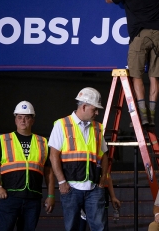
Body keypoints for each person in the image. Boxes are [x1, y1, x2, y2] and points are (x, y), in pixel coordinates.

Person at [105, 0, 159, 126]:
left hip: (139, 36)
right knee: (155, 77)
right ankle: (152, 116)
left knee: (136, 75)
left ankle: (143, 116)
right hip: (158, 35)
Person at [0, 100, 55, 231]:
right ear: (15, 120)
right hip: (9, 197)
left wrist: (51, 195)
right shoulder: (5, 140)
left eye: (27, 117)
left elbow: (49, 172)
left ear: (32, 120)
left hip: (33, 199)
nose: (23, 120)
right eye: (19, 117)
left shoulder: (42, 142)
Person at [49, 87, 109, 231]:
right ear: (83, 106)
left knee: (99, 228)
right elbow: (53, 155)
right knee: (72, 228)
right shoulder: (61, 125)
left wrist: (102, 180)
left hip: (94, 188)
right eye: (94, 109)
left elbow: (104, 155)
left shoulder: (97, 128)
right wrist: (62, 182)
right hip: (71, 188)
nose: (97, 113)